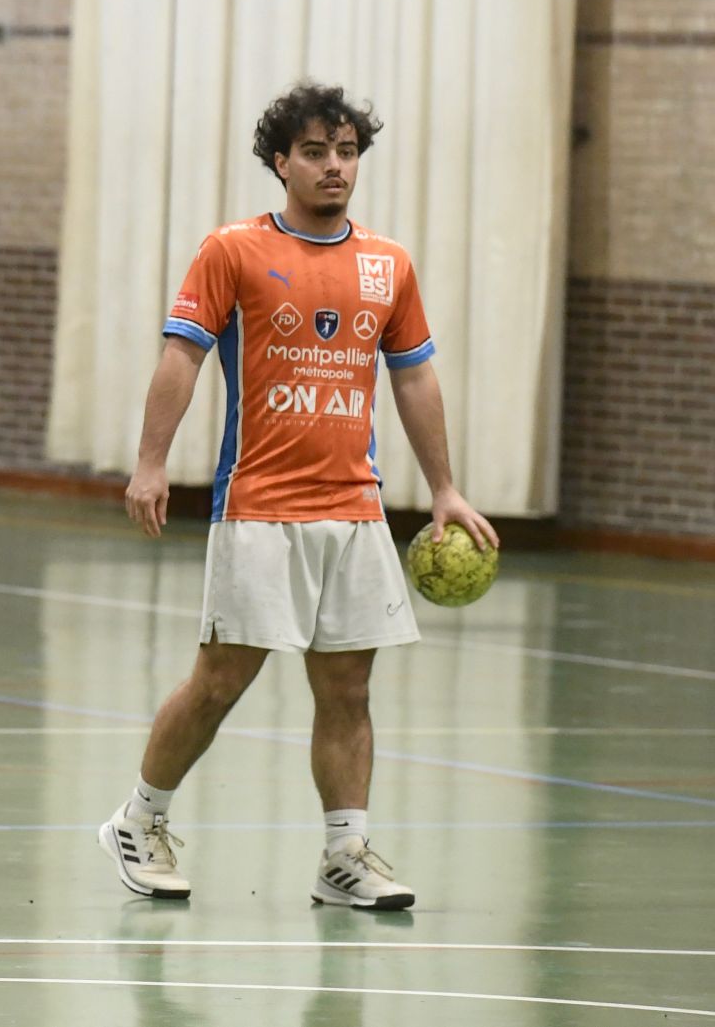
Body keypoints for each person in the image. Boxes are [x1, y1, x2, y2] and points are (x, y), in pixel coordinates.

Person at [100, 81, 499, 911]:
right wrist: (149, 461)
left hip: (354, 508)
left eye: (346, 152)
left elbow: (414, 376)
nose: (334, 167)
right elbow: (181, 358)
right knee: (220, 679)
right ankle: (138, 820)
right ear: (279, 161)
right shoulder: (232, 251)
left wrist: (446, 488)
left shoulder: (389, 263)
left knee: (349, 688)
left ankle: (343, 854)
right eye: (315, 152)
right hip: (257, 504)